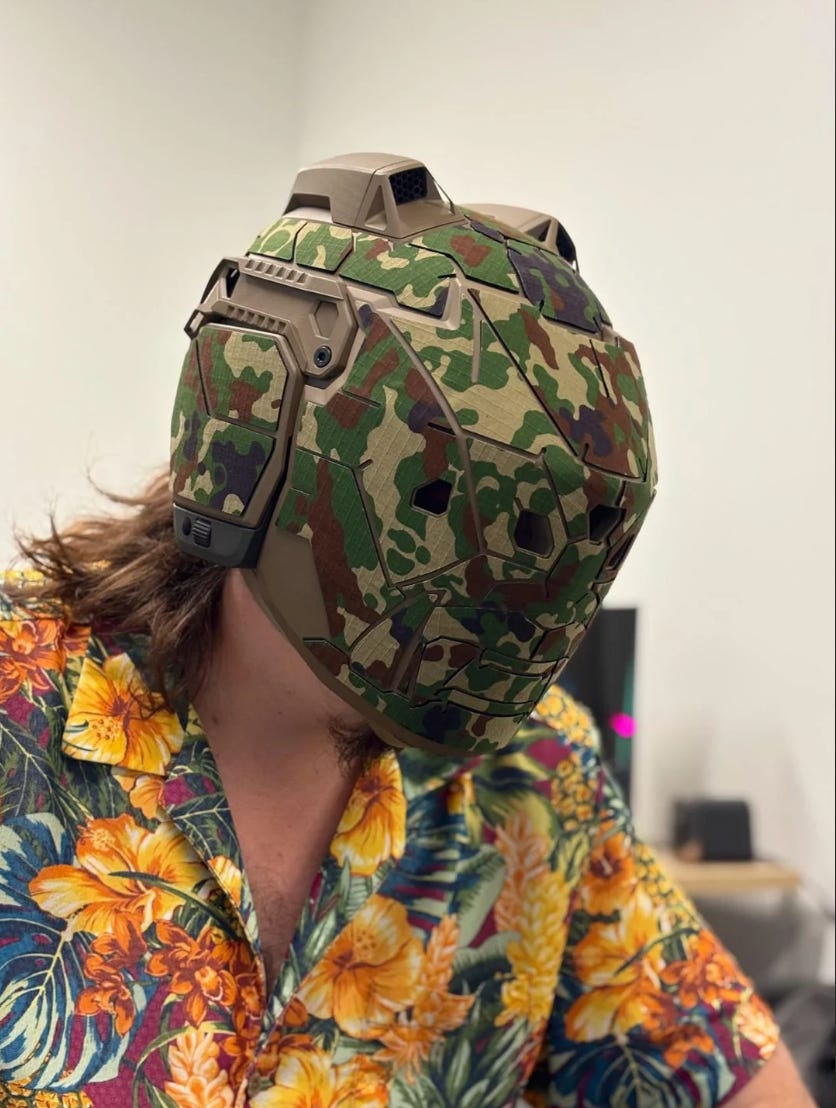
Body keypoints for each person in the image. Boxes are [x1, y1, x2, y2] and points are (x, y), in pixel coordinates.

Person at [0, 153, 812, 1107]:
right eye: (447, 504)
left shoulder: (534, 777)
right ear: (248, 433)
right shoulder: (22, 705)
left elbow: (731, 1073)